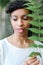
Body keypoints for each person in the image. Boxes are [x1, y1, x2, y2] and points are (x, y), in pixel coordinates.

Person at [0, 0, 43, 65]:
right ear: (10, 20)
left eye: (25, 18)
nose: (20, 23)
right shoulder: (2, 47)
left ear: (31, 19)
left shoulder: (40, 48)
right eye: (15, 19)